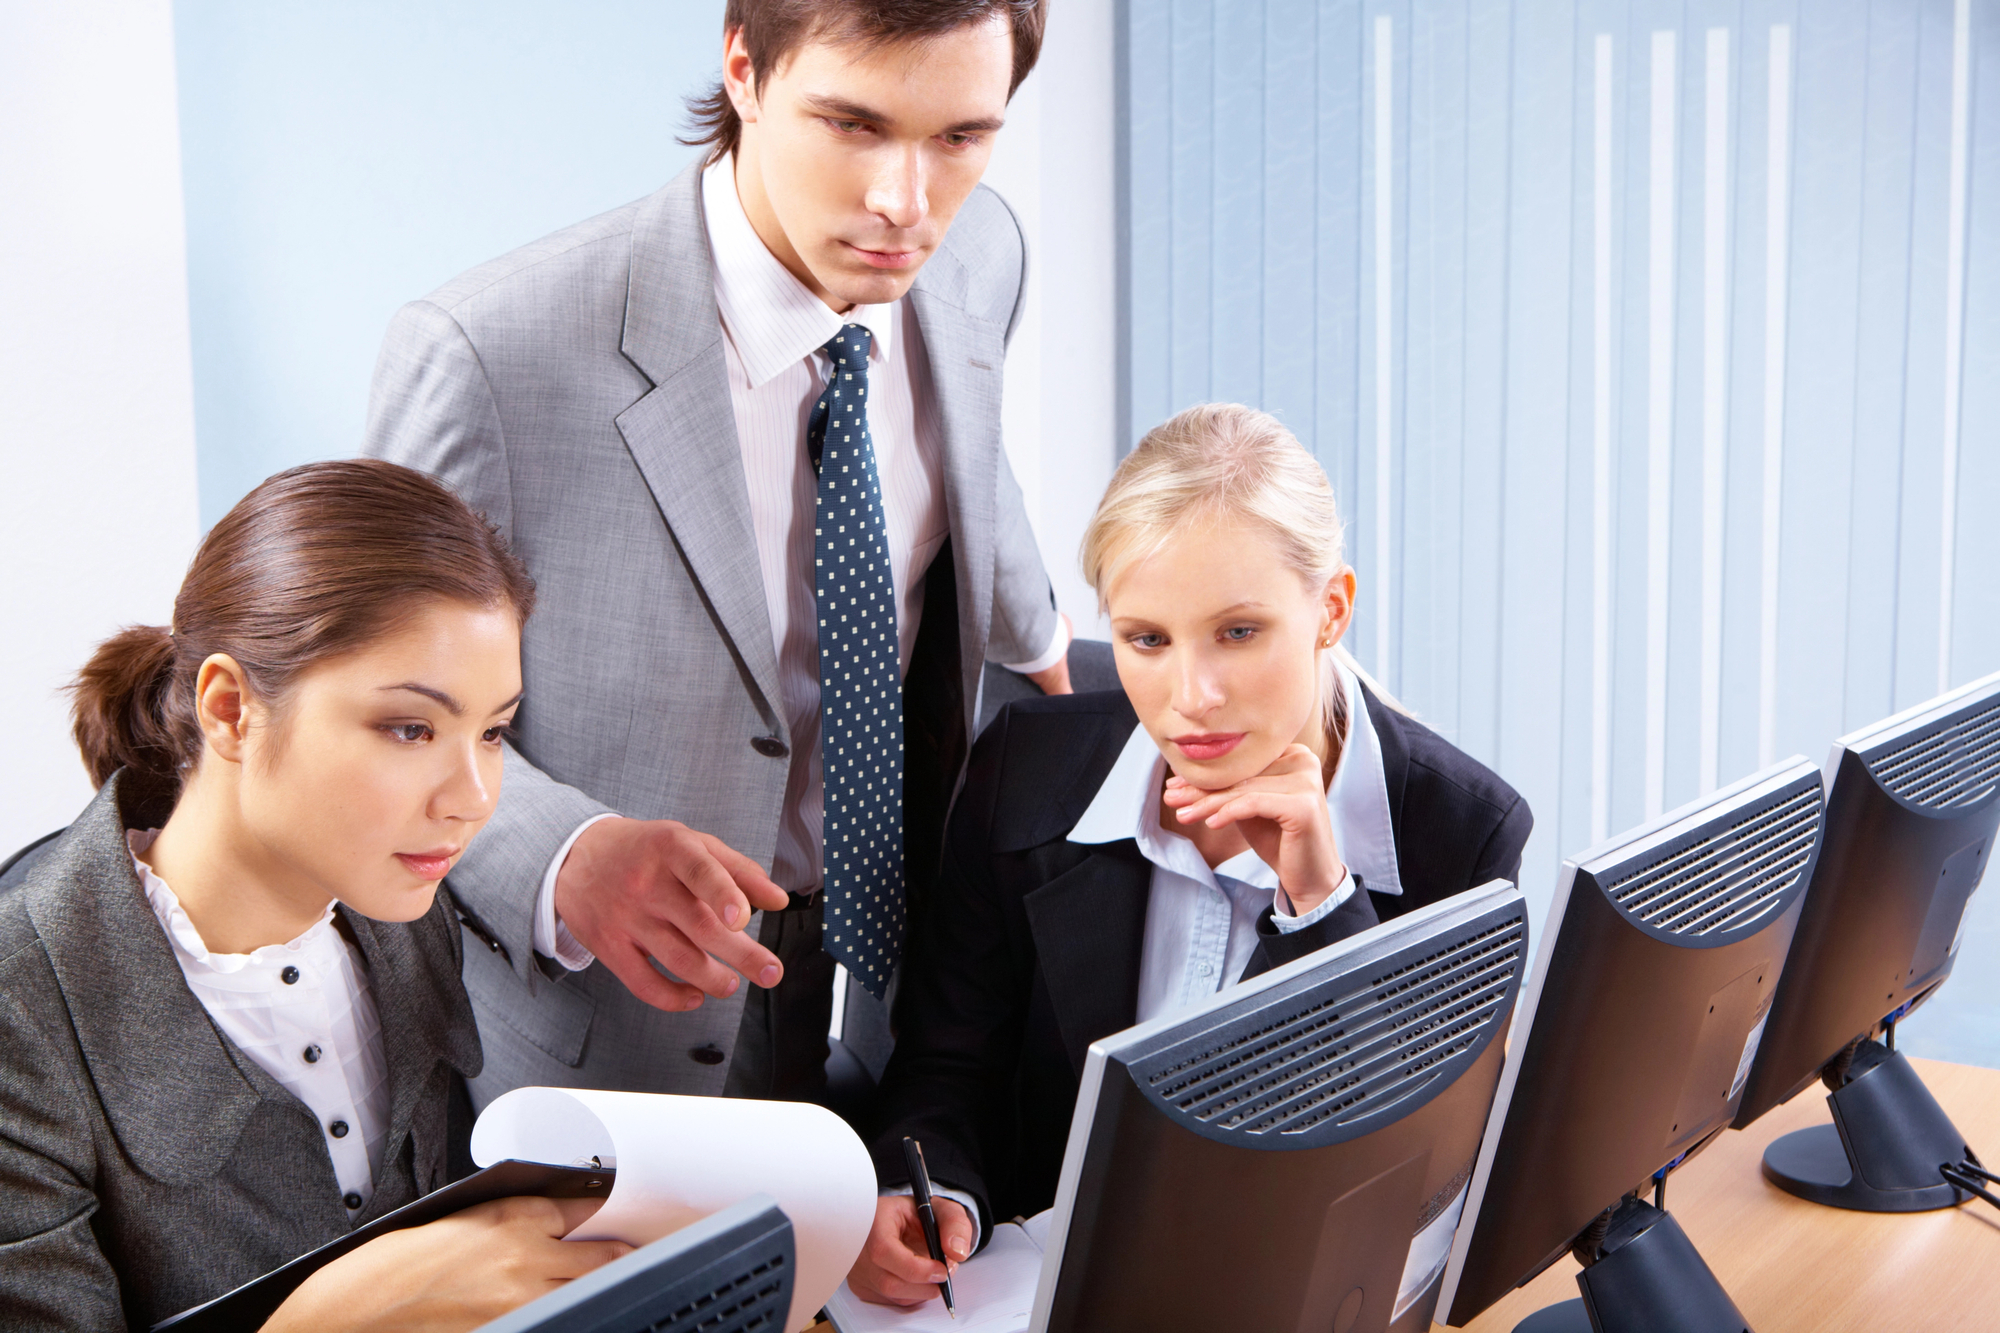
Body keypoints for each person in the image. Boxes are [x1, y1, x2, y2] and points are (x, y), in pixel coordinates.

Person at [363, 0, 1071, 1113]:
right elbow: (377, 730)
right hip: (620, 1030)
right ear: (743, 68)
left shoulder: (983, 253)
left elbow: (964, 469)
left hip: (908, 976)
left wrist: (1039, 641)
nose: (905, 202)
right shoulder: (492, 356)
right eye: (852, 125)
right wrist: (565, 855)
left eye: (959, 138)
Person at [847, 404, 1535, 1307]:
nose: (1191, 697)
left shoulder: (1464, 832)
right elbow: (947, 1065)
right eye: (1147, 639)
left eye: (1239, 632)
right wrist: (923, 1191)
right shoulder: (1025, 768)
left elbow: (1413, 1168)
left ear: (1330, 609)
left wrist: (1323, 903)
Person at [0, 461, 628, 1331]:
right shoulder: (24, 1008)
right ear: (229, 708)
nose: (474, 795)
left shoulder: (401, 906)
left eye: (491, 731)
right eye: (410, 727)